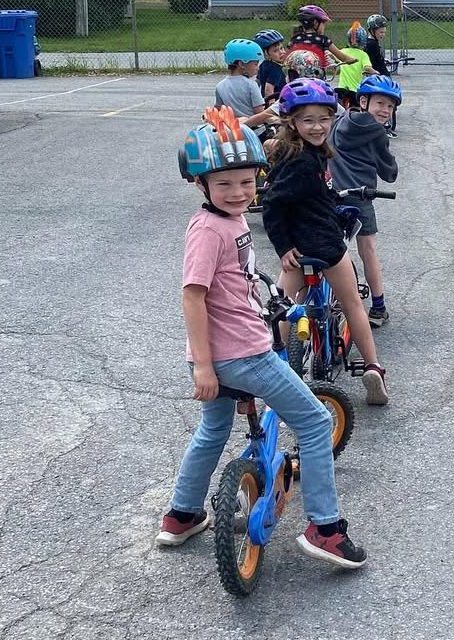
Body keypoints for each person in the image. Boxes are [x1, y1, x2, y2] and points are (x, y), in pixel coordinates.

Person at [158, 106, 367, 568]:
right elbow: (192, 296)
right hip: (242, 355)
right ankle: (325, 528)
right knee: (313, 423)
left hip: (223, 352)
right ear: (200, 184)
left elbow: (235, 280)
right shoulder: (209, 230)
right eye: (224, 183)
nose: (238, 192)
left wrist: (264, 293)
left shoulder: (228, 222)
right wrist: (205, 366)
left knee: (213, 430)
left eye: (247, 181)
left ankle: (182, 516)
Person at [261, 78, 389, 405]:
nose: (318, 127)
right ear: (291, 121)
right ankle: (373, 367)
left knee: (282, 307)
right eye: (308, 120)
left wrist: (286, 246)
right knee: (352, 304)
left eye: (324, 119)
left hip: (301, 249)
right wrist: (283, 246)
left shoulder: (305, 152)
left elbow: (297, 198)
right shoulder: (303, 160)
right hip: (323, 246)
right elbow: (273, 203)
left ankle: (272, 369)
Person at [328, 75, 400, 327]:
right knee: (367, 251)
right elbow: (389, 173)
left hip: (331, 194)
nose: (385, 111)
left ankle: (335, 298)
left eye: (390, 106)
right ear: (364, 100)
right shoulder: (377, 133)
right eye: (381, 103)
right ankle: (378, 307)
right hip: (359, 198)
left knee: (333, 248)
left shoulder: (339, 121)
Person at [216, 39, 266, 137]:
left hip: (231, 131)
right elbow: (259, 112)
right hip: (251, 131)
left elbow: (218, 110)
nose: (258, 68)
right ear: (241, 64)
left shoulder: (220, 86)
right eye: (255, 64)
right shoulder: (251, 85)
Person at [287, 5, 357, 67]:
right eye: (323, 24)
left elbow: (287, 57)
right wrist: (354, 60)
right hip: (316, 80)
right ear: (315, 22)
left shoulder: (295, 39)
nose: (324, 27)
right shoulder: (323, 40)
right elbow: (343, 57)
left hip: (297, 79)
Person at [335, 24, 377, 109]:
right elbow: (367, 68)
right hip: (355, 91)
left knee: (339, 111)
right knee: (358, 110)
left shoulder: (342, 51)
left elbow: (334, 59)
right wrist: (376, 73)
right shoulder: (363, 55)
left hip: (341, 89)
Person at [253, 29, 287, 104]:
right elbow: (269, 89)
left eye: (281, 48)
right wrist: (271, 104)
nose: (281, 52)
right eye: (275, 51)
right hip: (277, 102)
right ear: (265, 54)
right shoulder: (275, 68)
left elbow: (257, 82)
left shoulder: (264, 64)